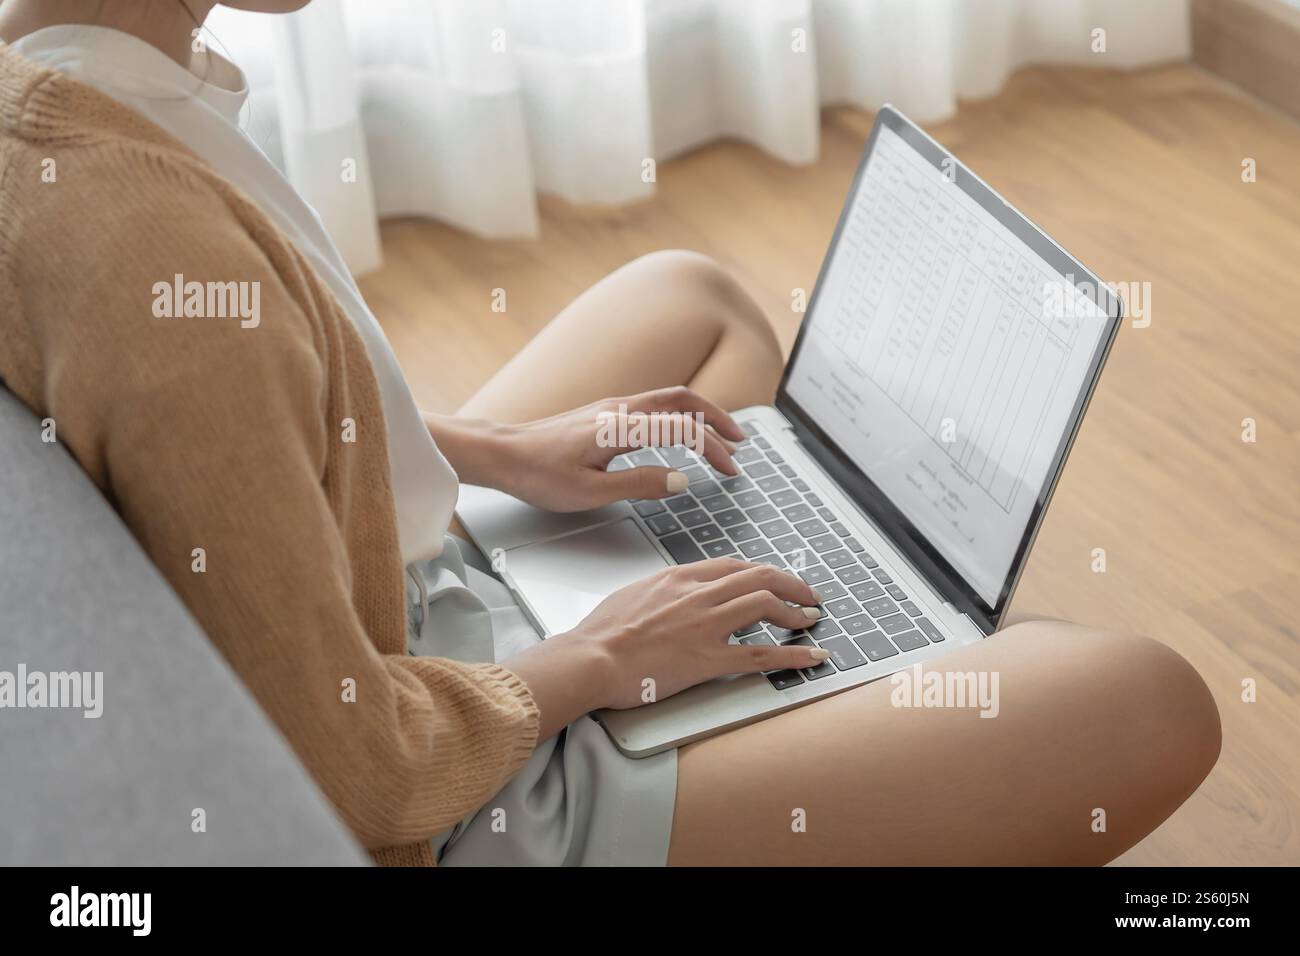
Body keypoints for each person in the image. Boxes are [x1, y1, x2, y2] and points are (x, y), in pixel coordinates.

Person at [0, 0, 1221, 866]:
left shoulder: (77, 88)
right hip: (449, 771)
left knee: (691, 303)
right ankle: (782, 702)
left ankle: (799, 683)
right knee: (1149, 699)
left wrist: (489, 448)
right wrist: (598, 660)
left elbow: (237, 426)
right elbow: (357, 766)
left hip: (389, 573)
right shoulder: (150, 241)